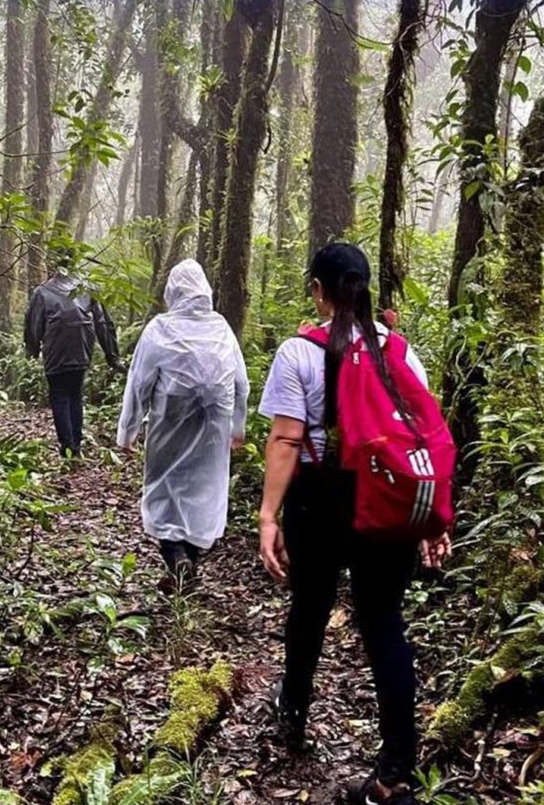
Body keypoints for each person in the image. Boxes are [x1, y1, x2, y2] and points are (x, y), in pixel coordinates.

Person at [257, 242, 451, 805]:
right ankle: (395, 772)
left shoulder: (299, 352)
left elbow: (288, 438)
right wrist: (432, 518)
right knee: (384, 622)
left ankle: (292, 711)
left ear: (317, 289)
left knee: (311, 605)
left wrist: (268, 515)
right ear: (366, 289)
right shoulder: (401, 352)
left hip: (320, 496)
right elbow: (423, 438)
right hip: (387, 497)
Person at [116, 259, 249, 587]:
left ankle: (176, 556)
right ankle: (188, 559)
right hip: (214, 427)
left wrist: (128, 431)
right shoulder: (220, 328)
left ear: (172, 292)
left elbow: (139, 383)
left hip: (170, 421)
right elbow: (241, 383)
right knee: (205, 491)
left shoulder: (160, 328)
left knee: (164, 486)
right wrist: (237, 427)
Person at [24, 263, 120, 458]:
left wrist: (32, 350)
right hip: (81, 348)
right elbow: (102, 322)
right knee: (75, 394)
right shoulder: (87, 288)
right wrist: (112, 356)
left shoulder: (42, 292)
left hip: (56, 351)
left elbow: (34, 324)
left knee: (59, 396)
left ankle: (68, 448)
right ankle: (75, 445)